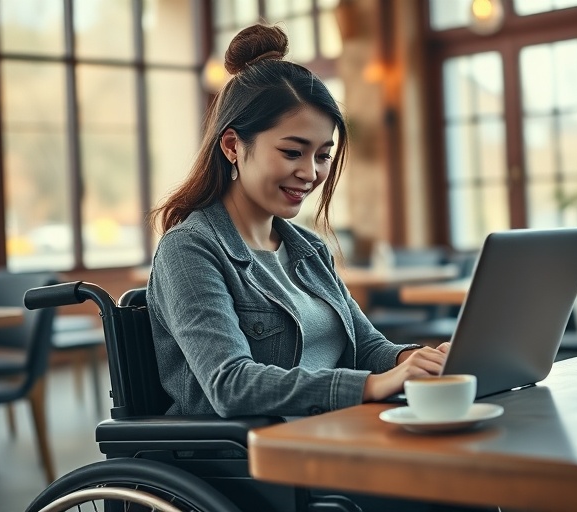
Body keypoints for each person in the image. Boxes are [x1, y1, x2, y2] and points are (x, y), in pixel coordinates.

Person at [146, 23, 449, 420]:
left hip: (332, 433)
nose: (311, 173)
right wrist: (371, 386)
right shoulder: (189, 249)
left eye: (323, 155)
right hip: (250, 458)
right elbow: (230, 384)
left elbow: (367, 346)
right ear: (233, 145)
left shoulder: (309, 248)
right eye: (292, 152)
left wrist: (416, 360)